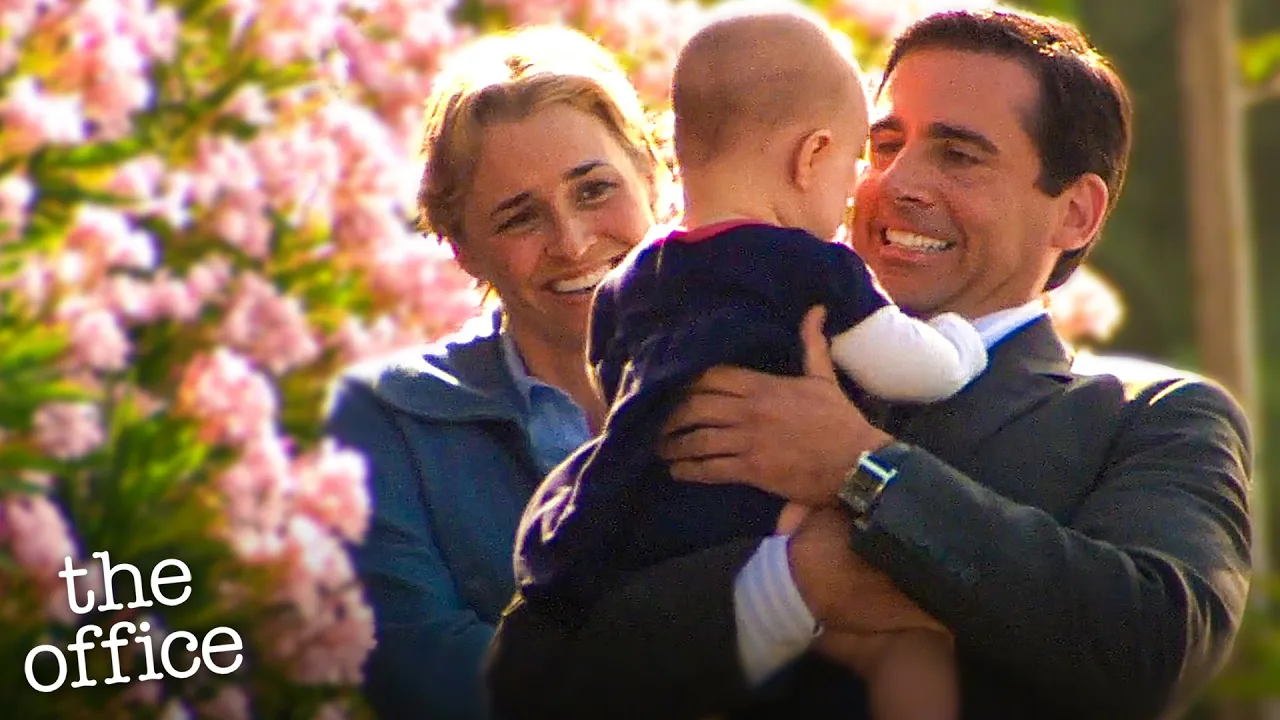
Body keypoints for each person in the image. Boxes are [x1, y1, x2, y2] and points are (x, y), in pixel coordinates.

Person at [487, 8, 1254, 720]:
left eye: (959, 155)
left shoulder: (1148, 419)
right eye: (883, 145)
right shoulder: (717, 353)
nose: (895, 183)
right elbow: (530, 673)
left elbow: (1152, 647)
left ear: (1075, 211)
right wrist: (795, 583)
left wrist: (865, 469)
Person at [512, 10, 985, 720]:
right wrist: (960, 339)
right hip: (757, 520)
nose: (856, 190)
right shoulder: (809, 267)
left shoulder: (629, 280)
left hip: (640, 529)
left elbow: (613, 387)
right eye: (855, 164)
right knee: (908, 646)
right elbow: (916, 370)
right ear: (811, 157)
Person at [322, 25, 670, 719]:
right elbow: (421, 670)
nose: (572, 242)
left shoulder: (764, 357)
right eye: (519, 218)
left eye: (594, 190)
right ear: (463, 249)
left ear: (653, 177)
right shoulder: (389, 418)